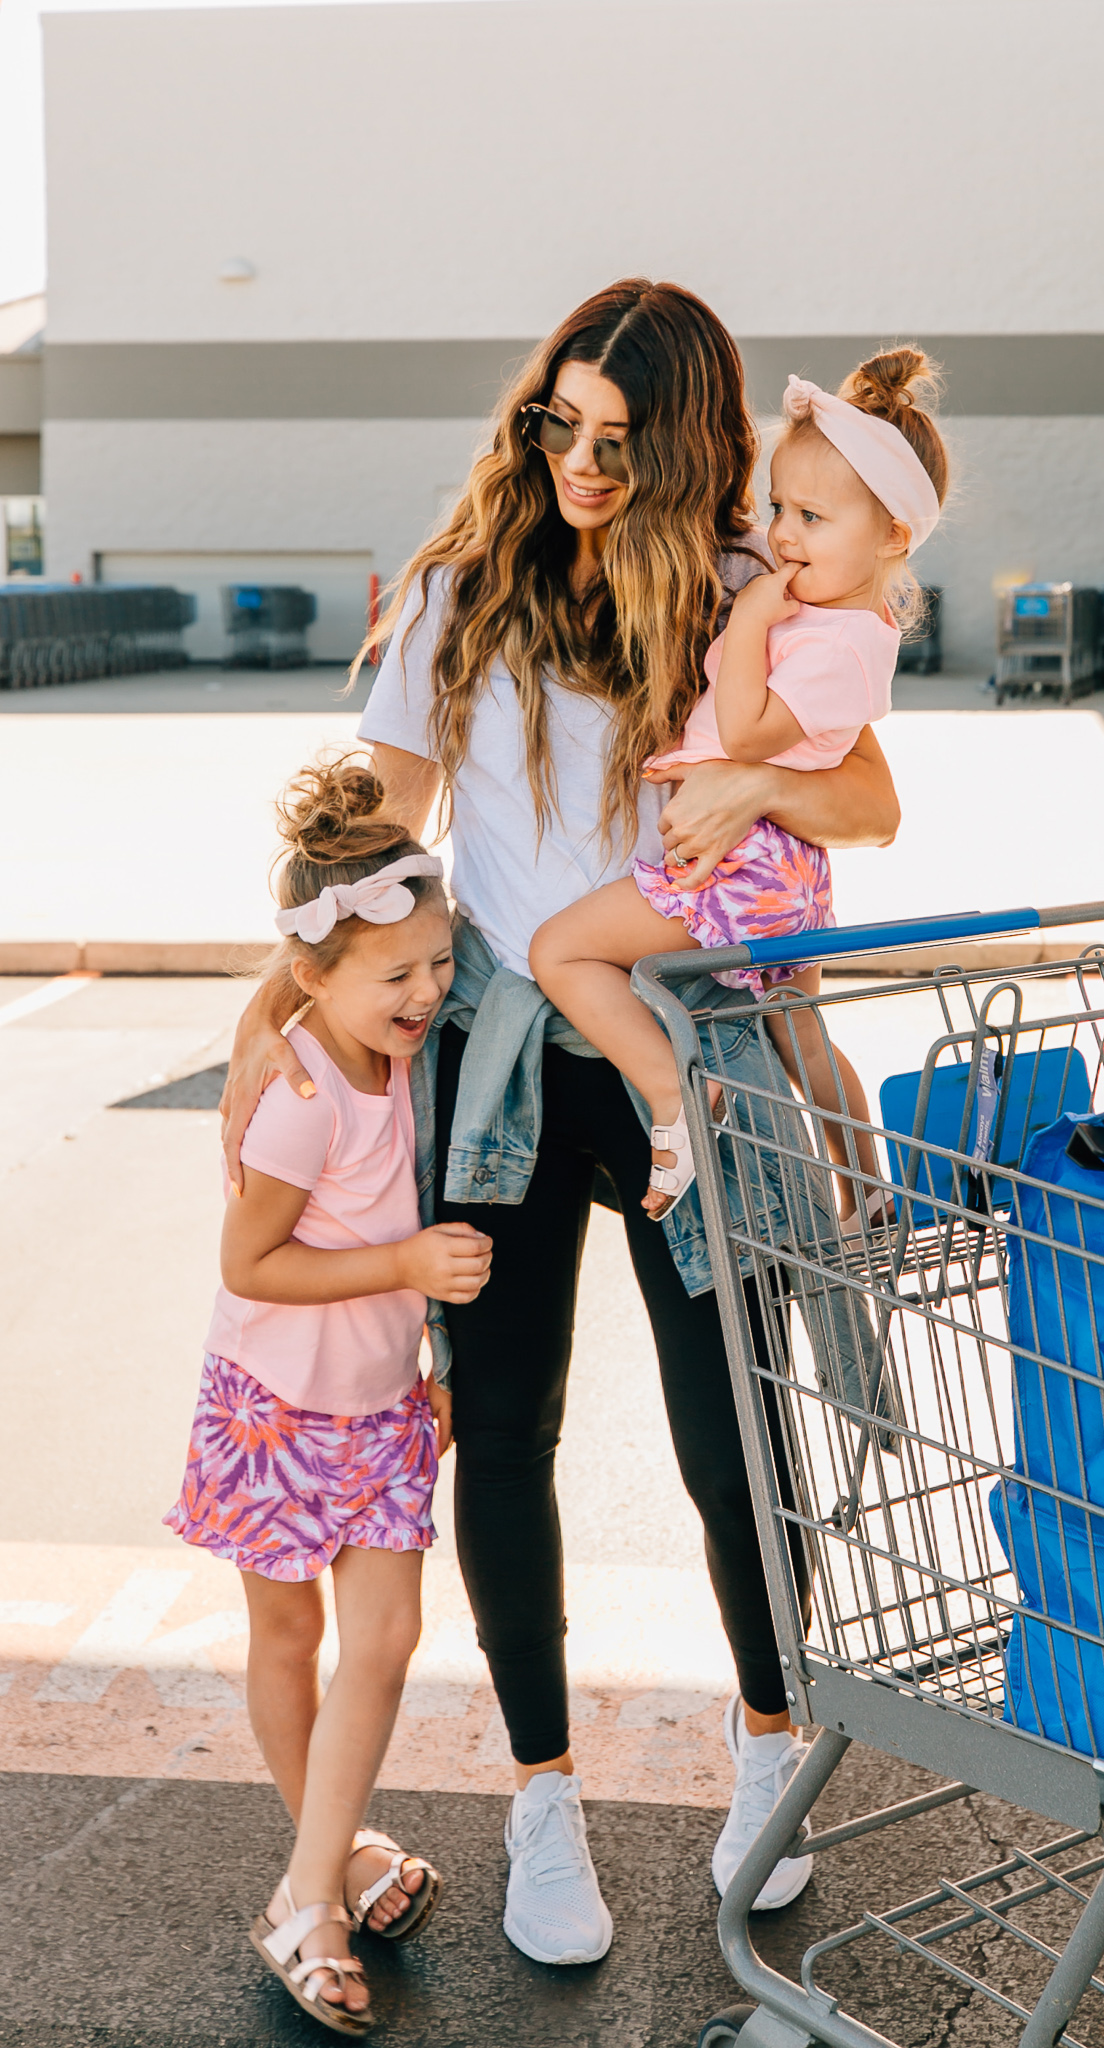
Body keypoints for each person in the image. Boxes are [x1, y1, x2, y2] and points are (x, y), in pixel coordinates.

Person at [219, 279, 901, 1967]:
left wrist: (754, 779)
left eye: (618, 437)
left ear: (682, 446)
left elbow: (866, 798)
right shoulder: (461, 585)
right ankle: (541, 1795)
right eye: (558, 423)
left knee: (727, 1429)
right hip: (506, 1059)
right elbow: (377, 832)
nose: (582, 461)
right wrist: (273, 1003)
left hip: (689, 1052)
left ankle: (763, 1751)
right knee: (503, 1421)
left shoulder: (748, 587)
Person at [168, 758, 492, 2032]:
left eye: (435, 964)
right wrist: (407, 1265)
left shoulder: (402, 1050)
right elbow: (250, 1261)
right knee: (292, 1640)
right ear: (317, 976)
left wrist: (435, 1359)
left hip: (381, 1406)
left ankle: (310, 1884)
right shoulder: (299, 1095)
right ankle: (329, 1871)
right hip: (272, 1408)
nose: (423, 993)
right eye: (394, 974)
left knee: (392, 1640)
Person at [530, 349, 948, 1225]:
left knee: (561, 953)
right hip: (784, 867)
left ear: (892, 538)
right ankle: (866, 1187)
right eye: (779, 508)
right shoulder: (836, 616)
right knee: (802, 1035)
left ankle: (671, 1089)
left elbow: (755, 733)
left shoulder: (837, 641)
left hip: (742, 864)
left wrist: (753, 615)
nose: (784, 537)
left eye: (812, 518)